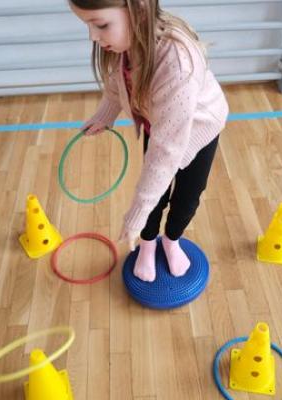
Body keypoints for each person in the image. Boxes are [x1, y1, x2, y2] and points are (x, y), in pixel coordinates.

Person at [69, 0, 229, 282]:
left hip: (199, 130)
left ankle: (172, 240)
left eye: (100, 25)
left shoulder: (177, 65)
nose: (93, 36)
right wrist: (106, 114)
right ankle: (148, 243)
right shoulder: (123, 43)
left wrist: (136, 214)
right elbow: (118, 82)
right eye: (88, 26)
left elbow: (165, 154)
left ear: (139, 9)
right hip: (160, 124)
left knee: (187, 196)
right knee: (154, 190)